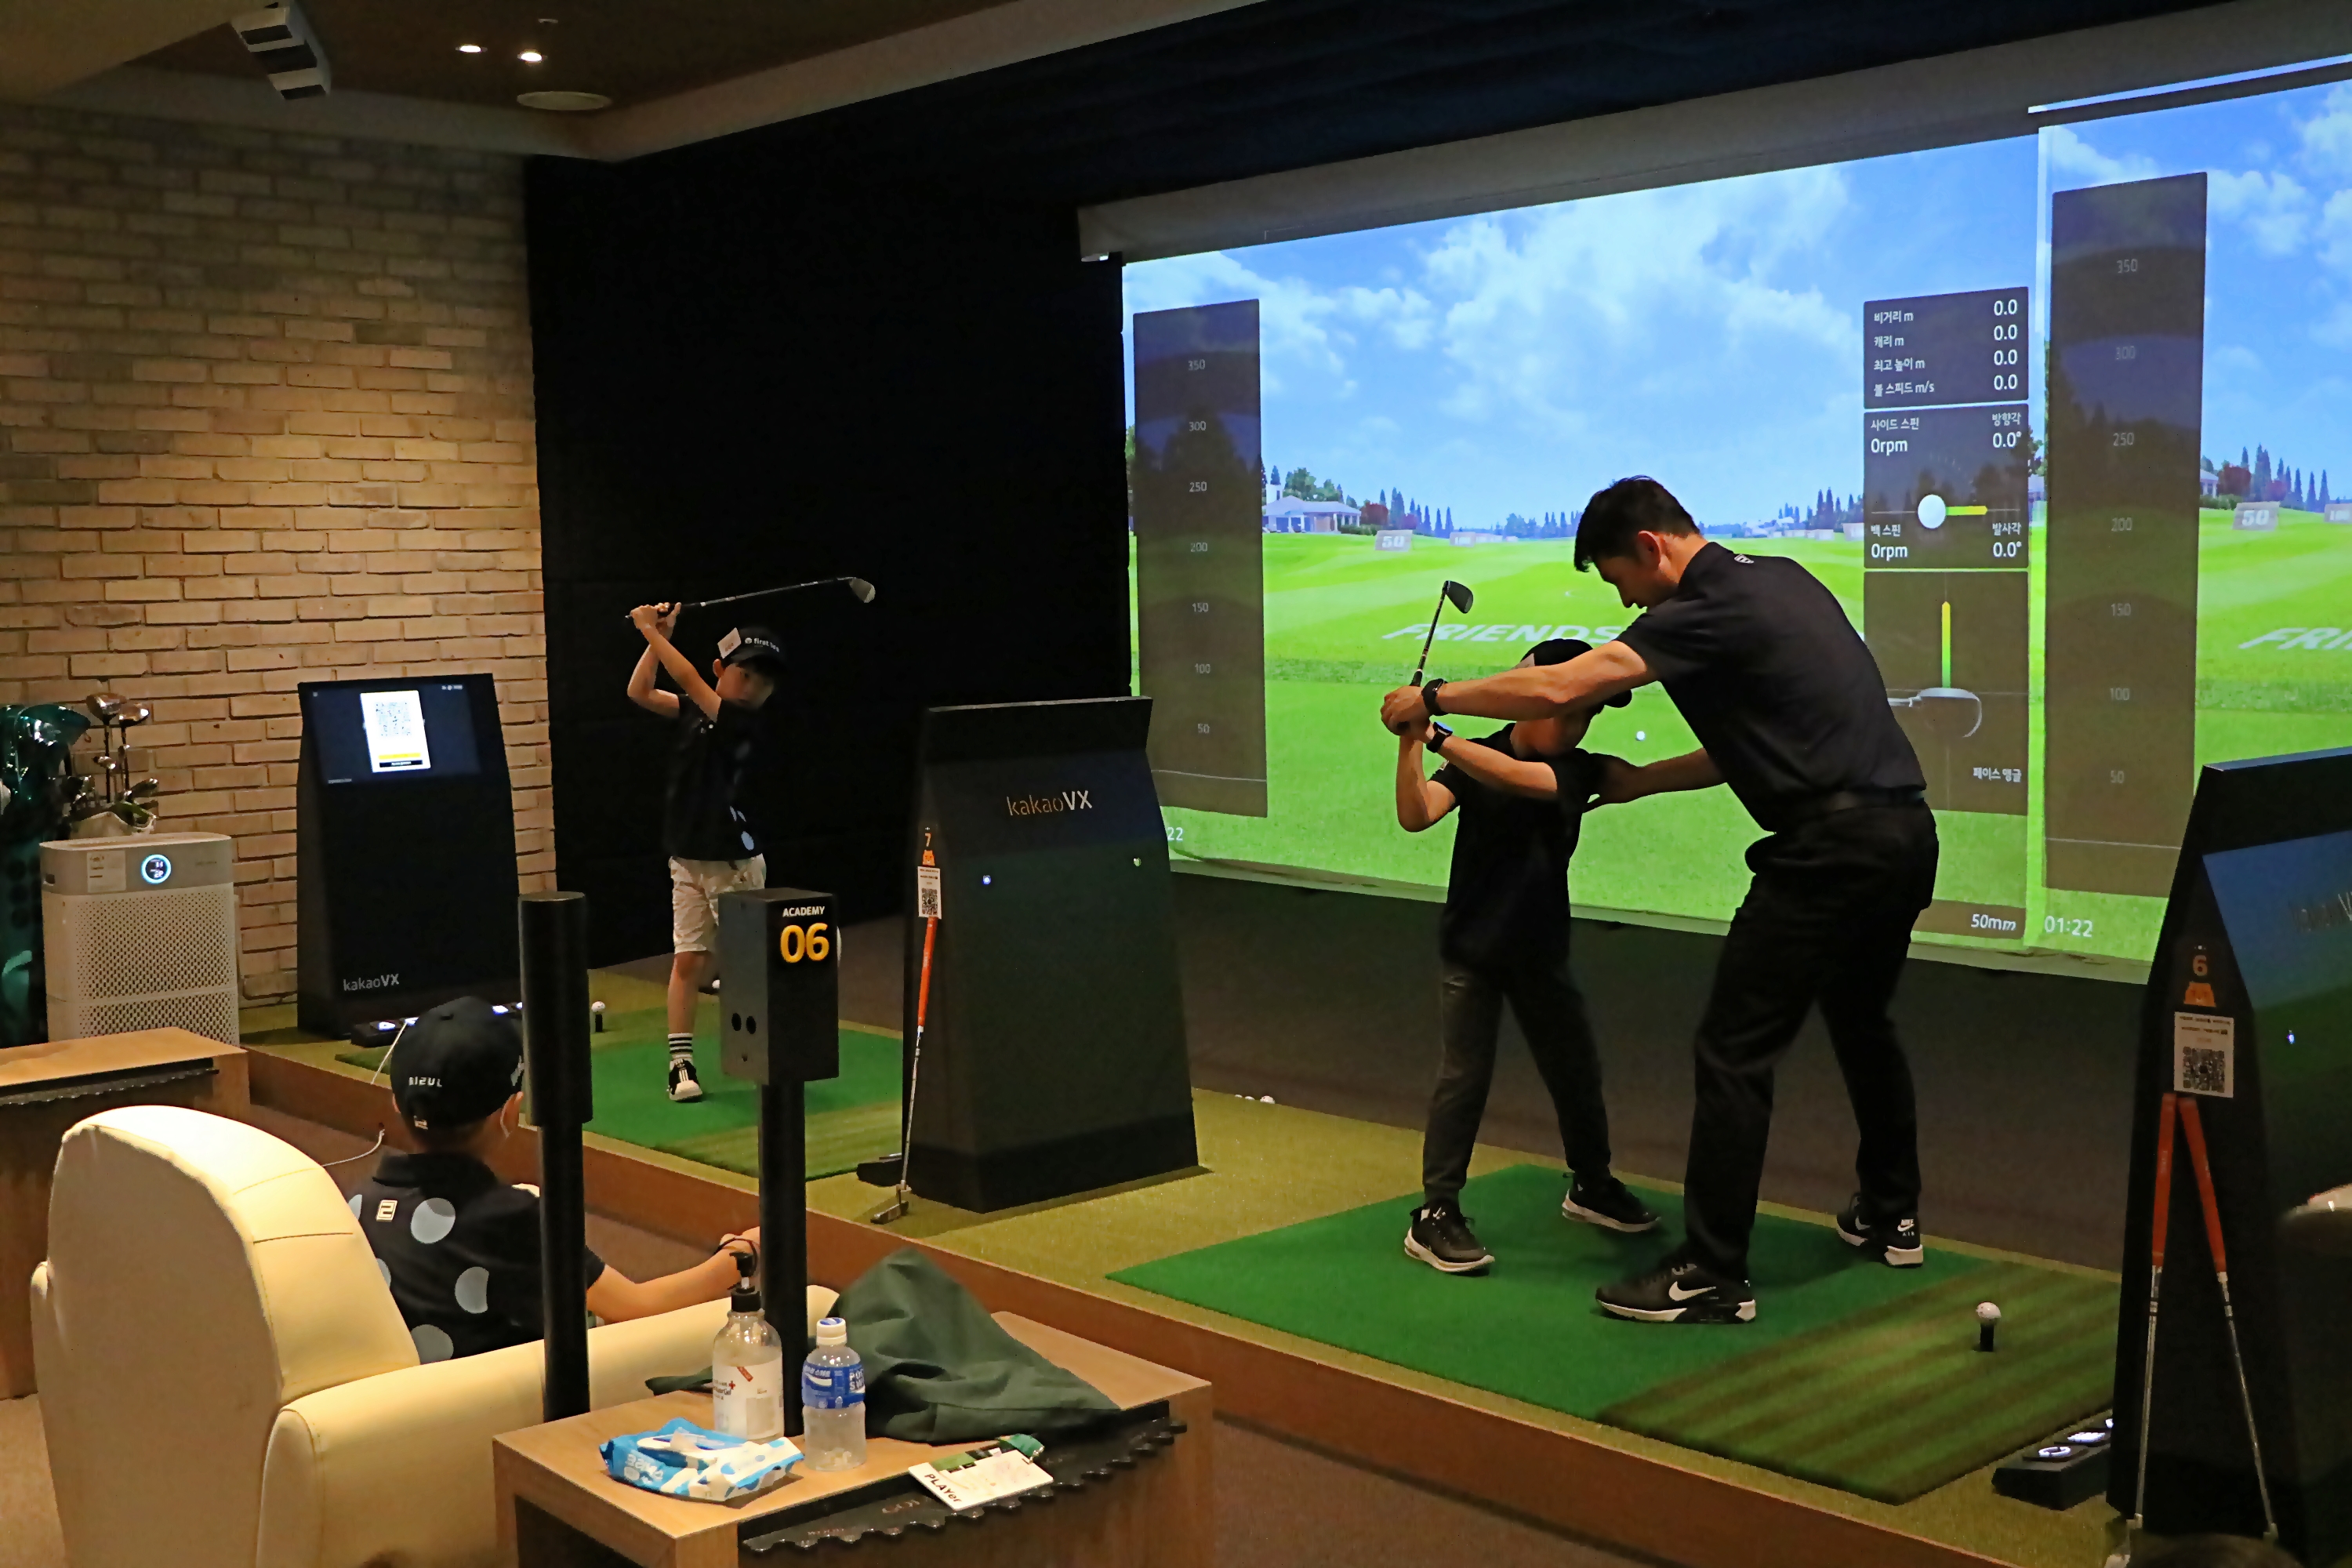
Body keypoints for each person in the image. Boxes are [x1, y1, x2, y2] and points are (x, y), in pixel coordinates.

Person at [1381, 477, 1937, 1324]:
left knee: (1732, 1051)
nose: (1626, 601)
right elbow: (1750, 743)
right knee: (1863, 1021)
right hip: (1904, 836)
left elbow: (1560, 688)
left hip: (1826, 855)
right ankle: (1891, 1214)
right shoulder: (1784, 581)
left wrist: (1433, 702)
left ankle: (1712, 1271)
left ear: (1649, 546)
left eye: (1619, 579)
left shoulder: (1704, 603)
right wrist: (1650, 778)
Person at [1393, 637, 1658, 1275]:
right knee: (1464, 1077)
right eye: (1567, 708)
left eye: (1587, 713)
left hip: (1542, 950)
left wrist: (1434, 732)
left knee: (1575, 1070)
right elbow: (1418, 814)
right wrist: (1409, 740)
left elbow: (1525, 781)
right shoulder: (1475, 754)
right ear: (1528, 696)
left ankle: (1591, 1184)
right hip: (1473, 948)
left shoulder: (1575, 770)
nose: (1576, 724)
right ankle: (1436, 1211)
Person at [354, 996, 762, 1362]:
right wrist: (741, 1256)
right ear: (511, 1112)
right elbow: (634, 1308)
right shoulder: (510, 1217)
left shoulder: (358, 1205)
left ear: (397, 1104)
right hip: (509, 1400)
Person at [627, 604, 786, 1102]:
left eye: (764, 681)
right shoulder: (694, 710)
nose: (754, 687)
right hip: (687, 859)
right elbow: (639, 691)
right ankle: (681, 1064)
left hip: (732, 864)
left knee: (750, 967)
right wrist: (657, 639)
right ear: (723, 668)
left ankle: (771, 1055)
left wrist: (652, 632)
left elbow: (688, 677)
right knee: (688, 962)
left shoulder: (743, 722)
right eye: (746, 674)